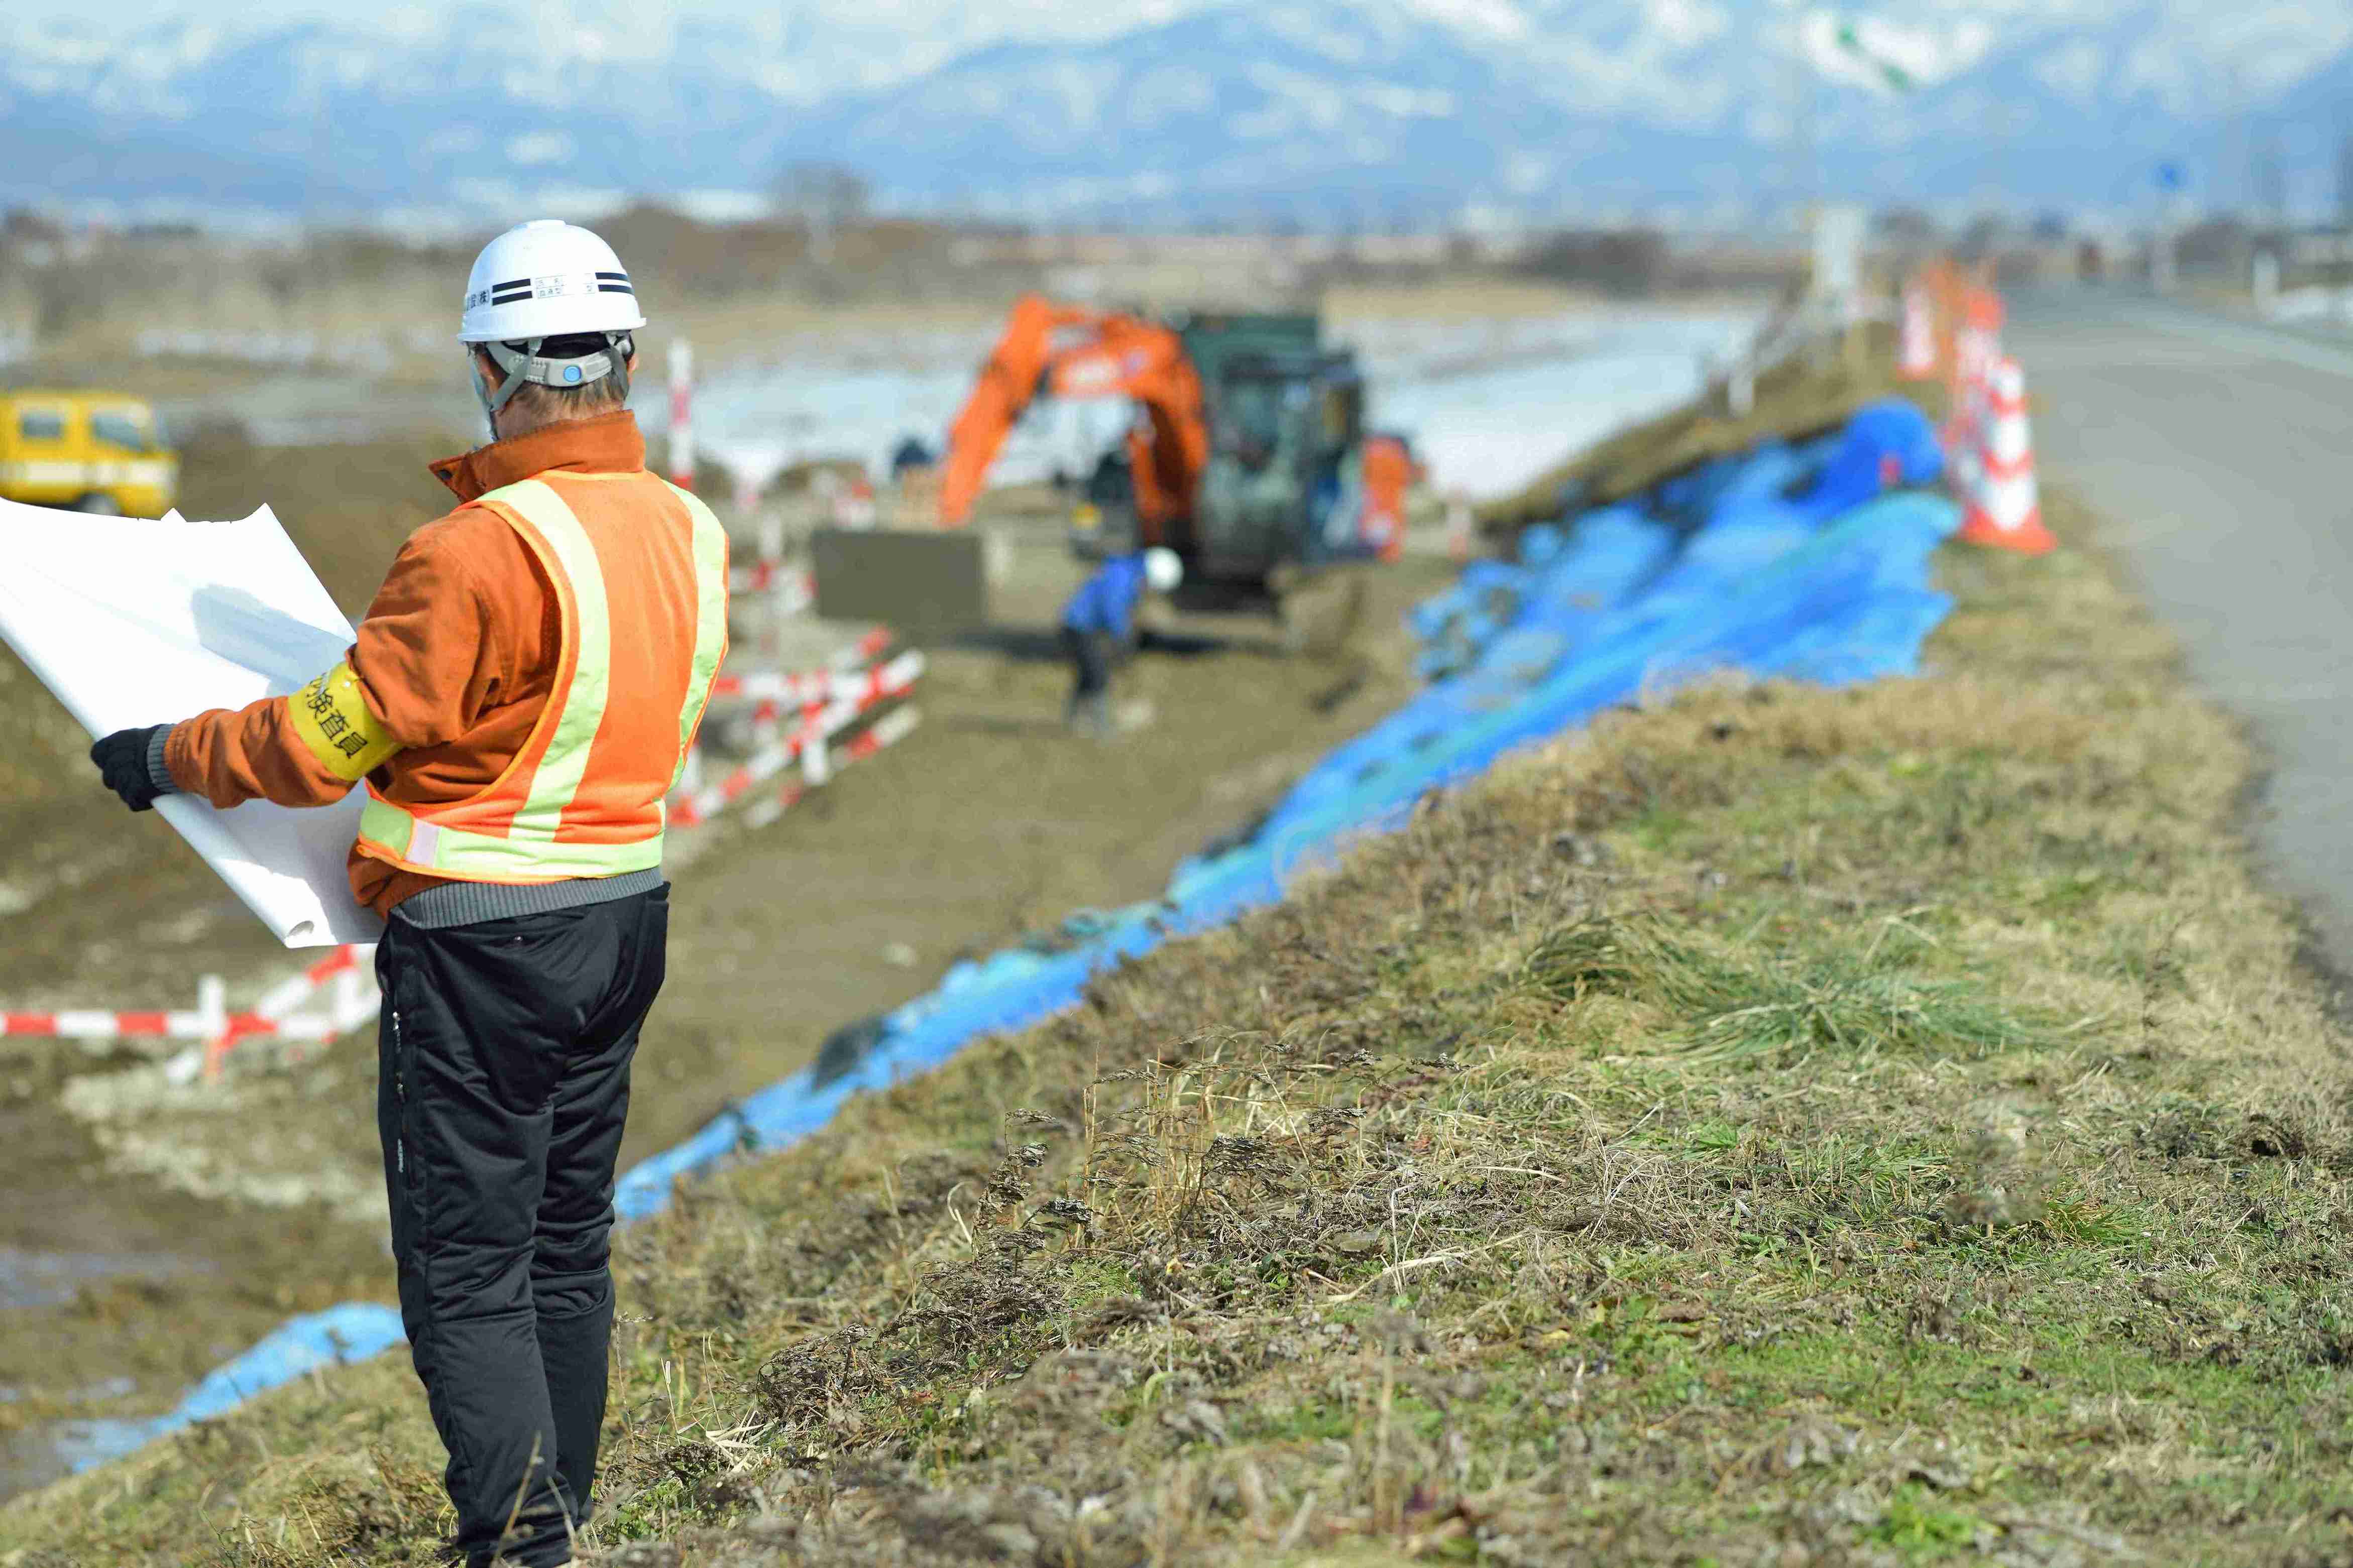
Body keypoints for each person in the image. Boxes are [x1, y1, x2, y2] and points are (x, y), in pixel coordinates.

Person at [85, 219, 729, 1568]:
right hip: (627, 914)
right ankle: (567, 1515)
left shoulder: (477, 548)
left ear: (493, 366)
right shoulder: (688, 528)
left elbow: (323, 739)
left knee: (466, 1263)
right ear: (620, 356)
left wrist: (164, 755)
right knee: (565, 1239)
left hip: (485, 947)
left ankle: (520, 1541)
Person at [1058, 545, 1181, 736]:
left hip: (1082, 627)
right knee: (1098, 674)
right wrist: (1122, 636)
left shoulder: (1126, 571)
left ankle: (1072, 721)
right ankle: (1102, 728)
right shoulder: (1123, 577)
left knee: (1089, 673)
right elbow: (1112, 609)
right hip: (1077, 627)